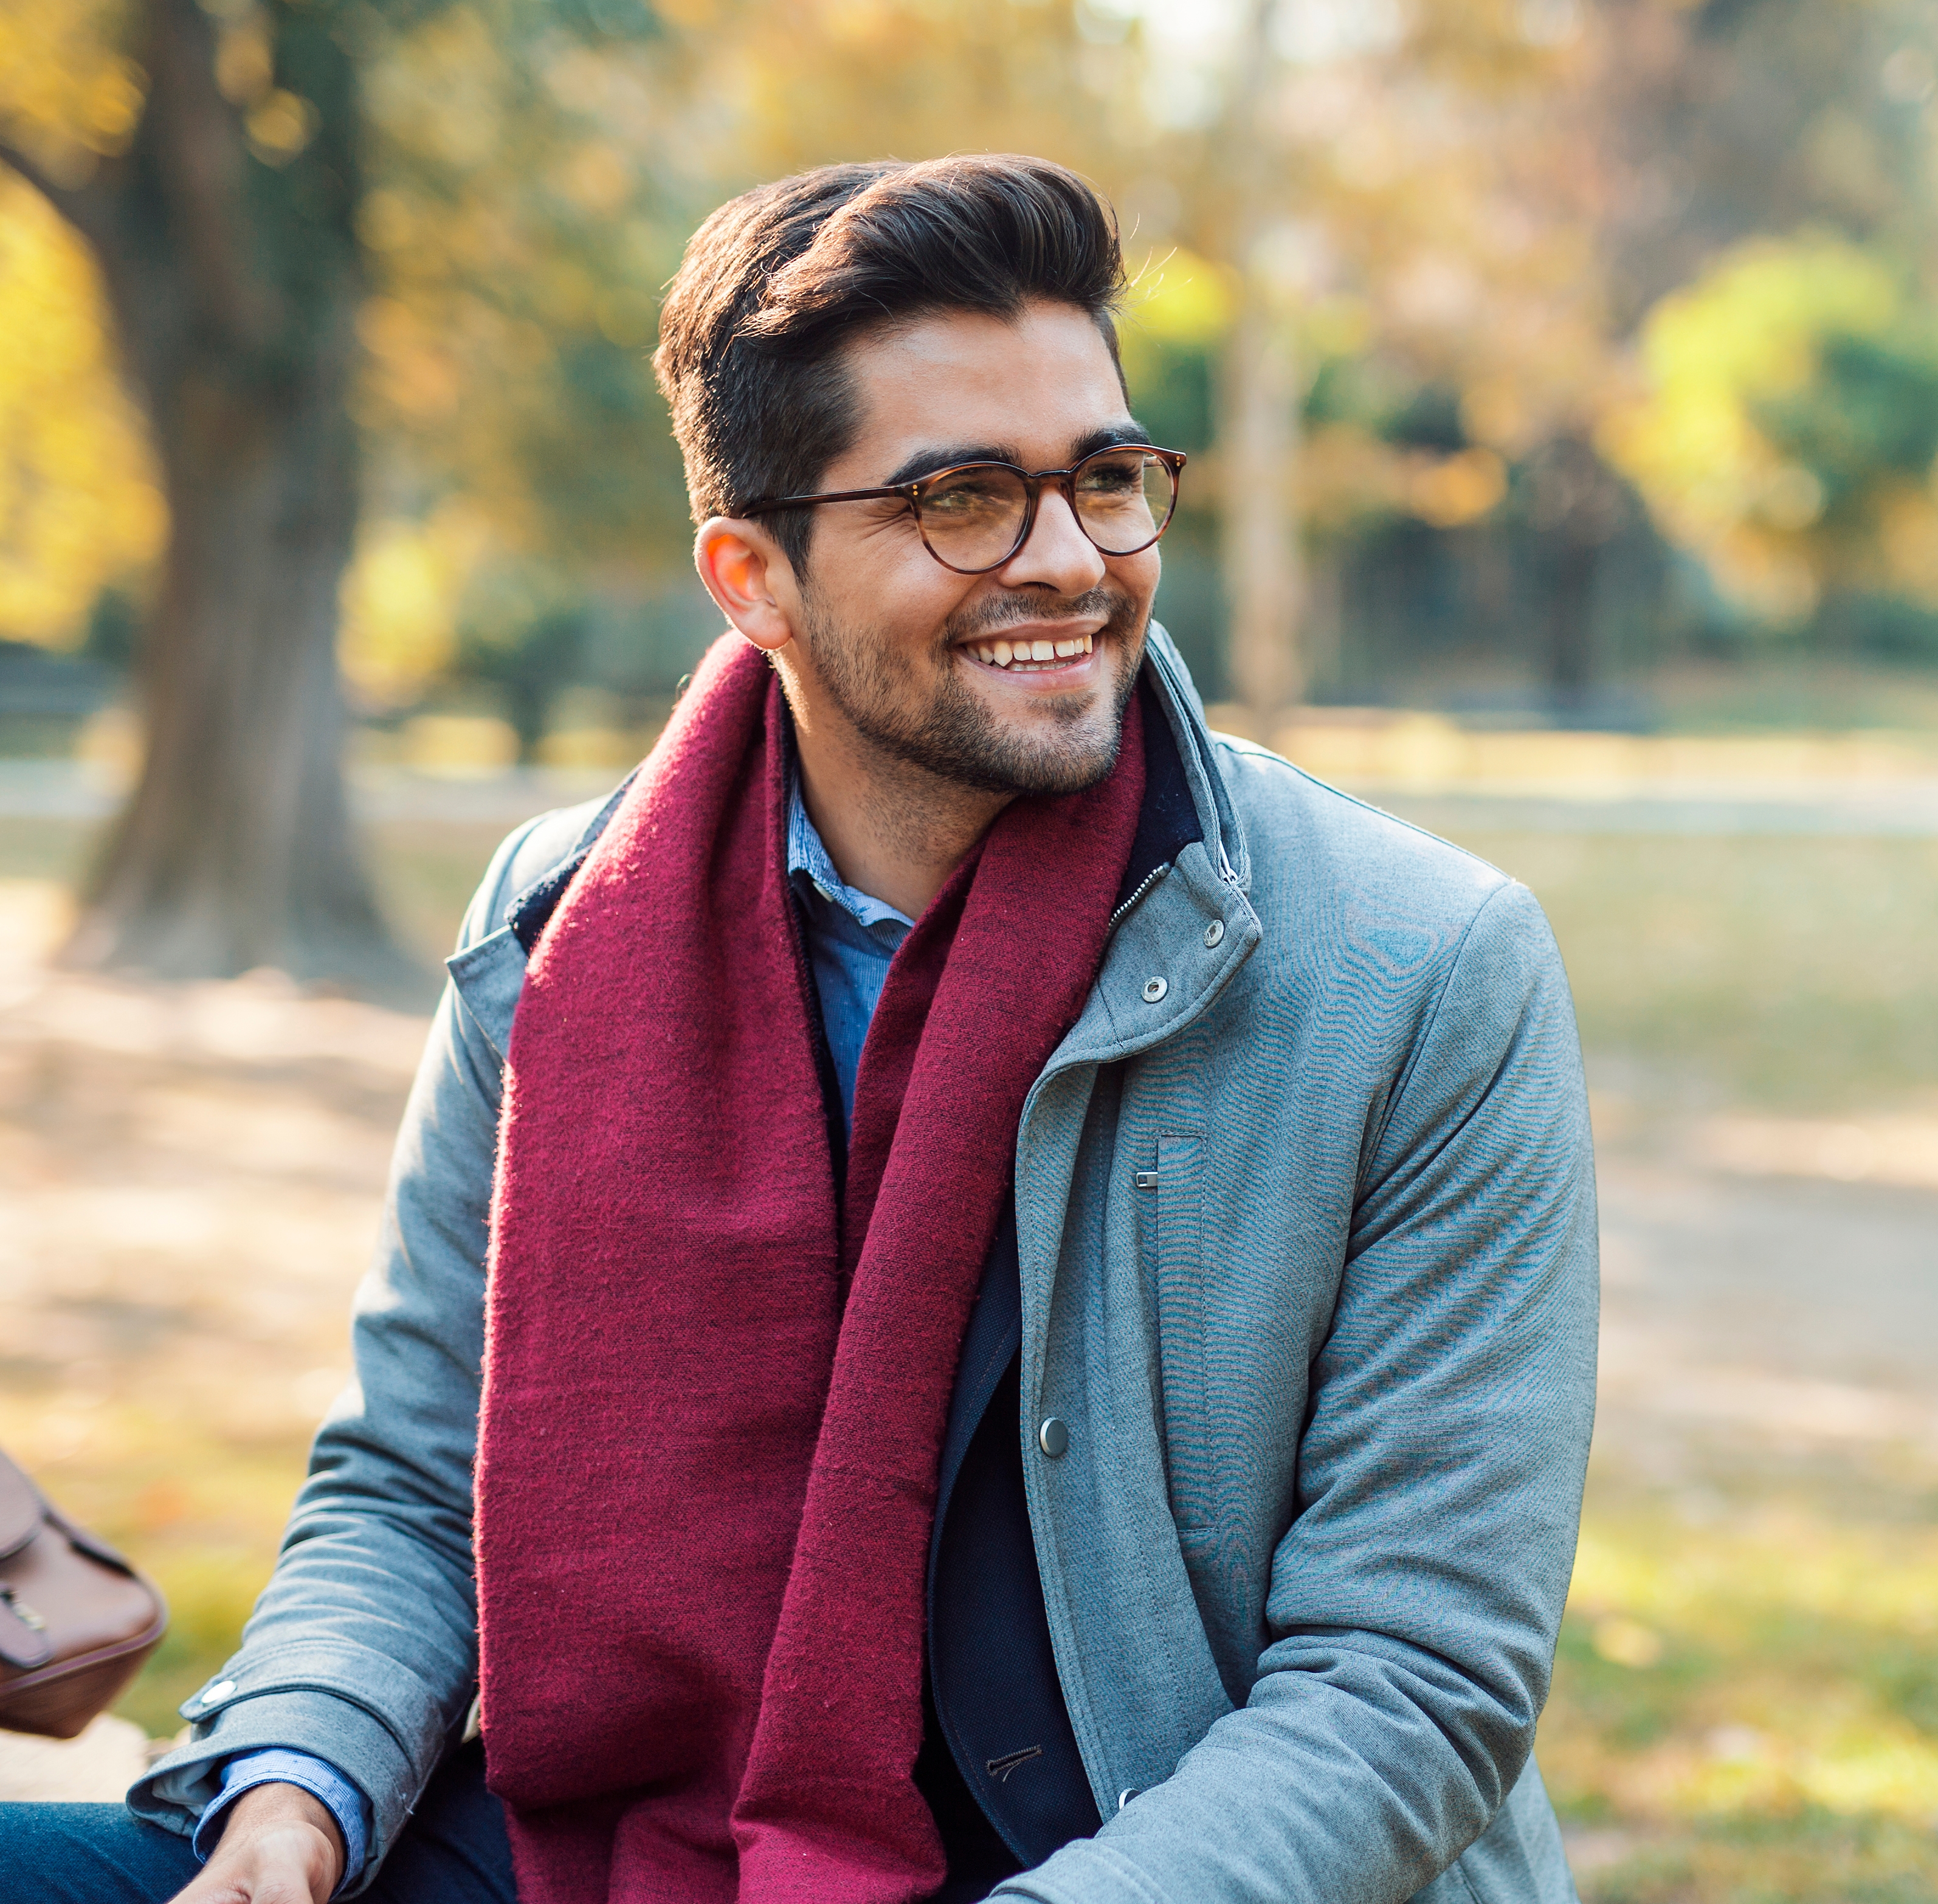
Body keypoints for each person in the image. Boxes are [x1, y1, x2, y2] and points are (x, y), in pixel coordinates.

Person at [0, 154, 1597, 1904]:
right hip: (617, 1844)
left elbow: (1408, 1682)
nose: (1066, 562)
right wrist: (292, 1799)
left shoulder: (1422, 969)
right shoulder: (558, 922)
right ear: (749, 577)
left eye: (1106, 481)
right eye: (964, 499)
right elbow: (409, 1479)